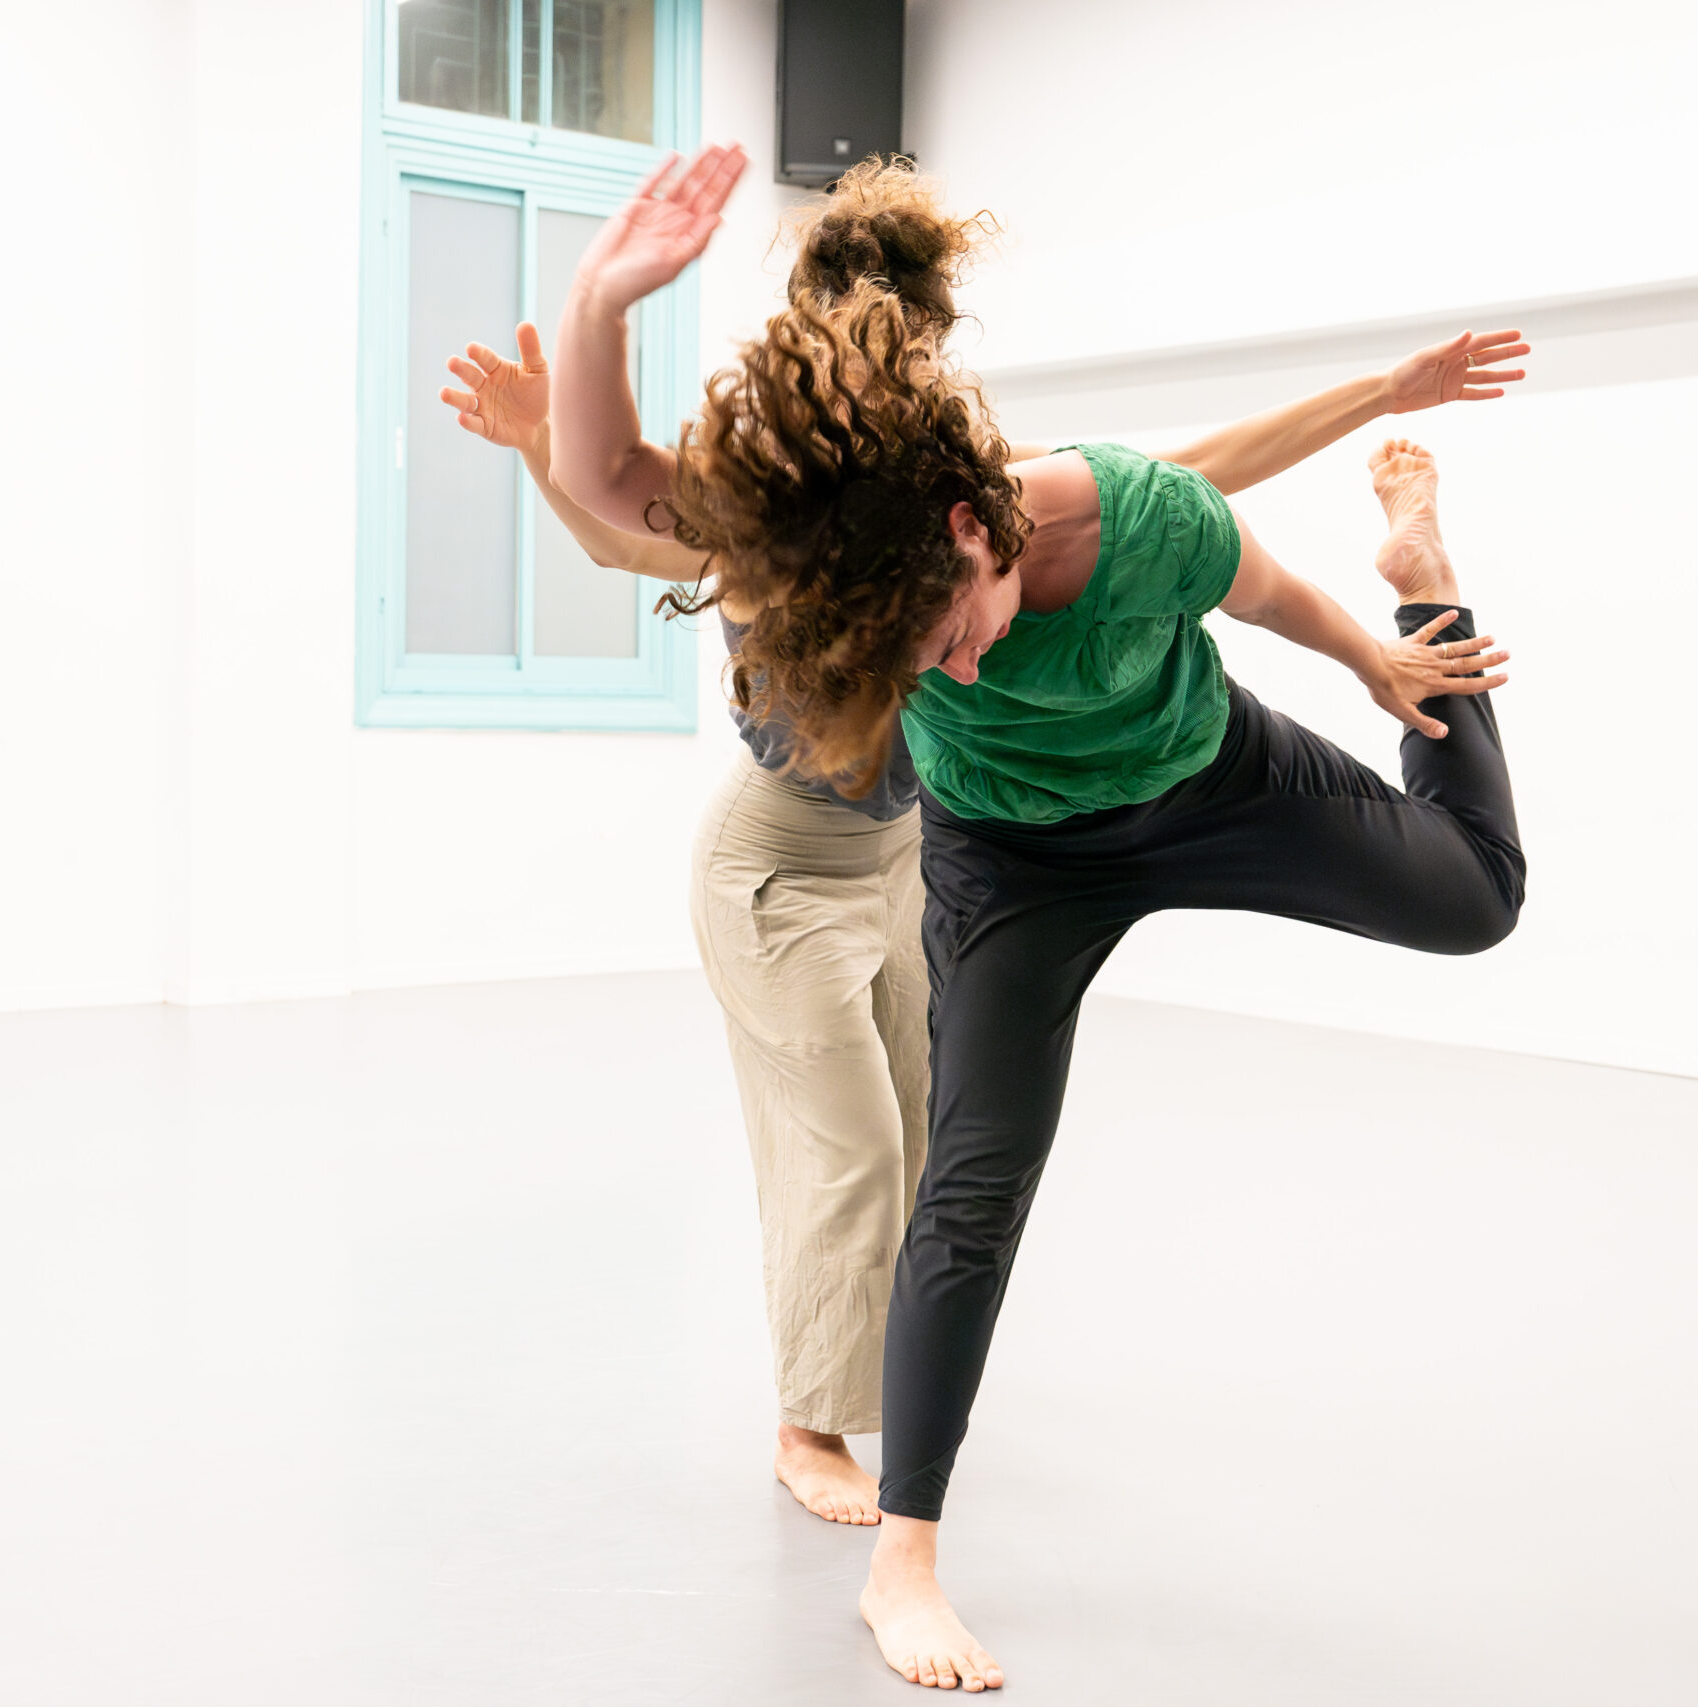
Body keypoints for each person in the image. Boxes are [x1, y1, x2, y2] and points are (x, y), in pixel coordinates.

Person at [552, 147, 1528, 1692]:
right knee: (972, 1186)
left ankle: (1433, 572)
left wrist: (1381, 655)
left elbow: (1265, 591)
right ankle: (905, 1564)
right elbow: (612, 485)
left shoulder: (1135, 514)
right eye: (917, 663)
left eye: (949, 633)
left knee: (1478, 904)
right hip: (1015, 862)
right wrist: (602, 299)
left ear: (976, 529)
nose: (949, 672)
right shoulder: (848, 550)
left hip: (1209, 779)